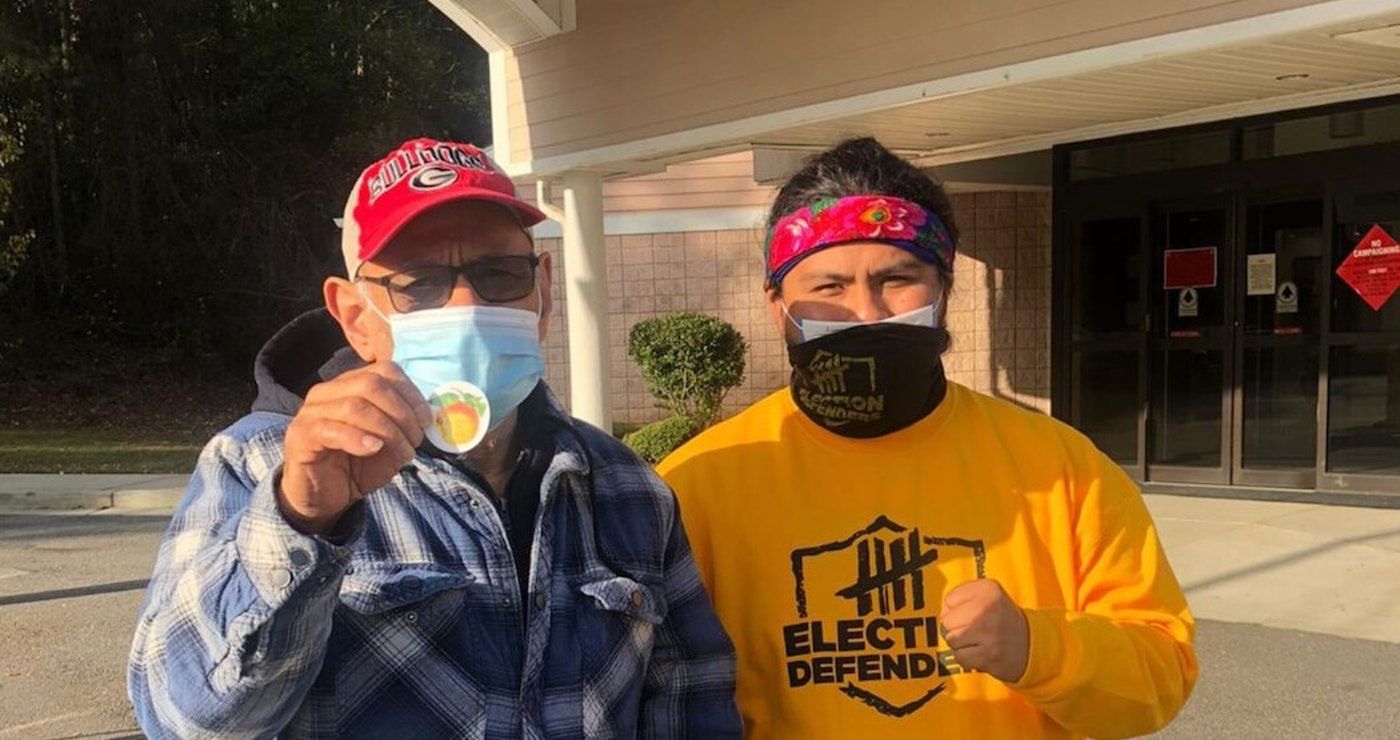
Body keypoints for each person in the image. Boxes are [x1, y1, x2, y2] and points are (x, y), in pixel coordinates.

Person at [128, 138, 740, 738]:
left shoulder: (629, 488)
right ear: (355, 317)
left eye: (499, 273)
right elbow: (183, 720)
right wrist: (302, 520)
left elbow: (692, 700)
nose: (467, 305)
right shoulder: (259, 464)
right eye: (418, 283)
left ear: (544, 292)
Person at [658, 137, 1196, 738]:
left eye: (897, 278)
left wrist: (1036, 646)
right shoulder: (693, 488)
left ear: (944, 290)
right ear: (777, 305)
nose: (867, 312)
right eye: (830, 287)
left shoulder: (1060, 467)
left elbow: (1160, 679)